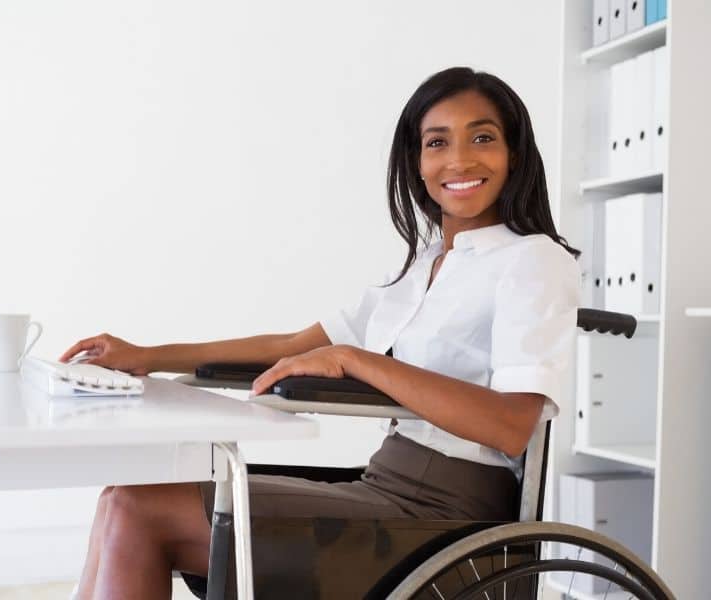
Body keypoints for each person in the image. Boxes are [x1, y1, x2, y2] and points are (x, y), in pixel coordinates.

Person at [60, 66, 581, 599]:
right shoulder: (423, 267)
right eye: (437, 142)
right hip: (385, 484)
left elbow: (513, 424)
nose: (460, 159)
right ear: (416, 161)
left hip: (451, 517)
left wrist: (358, 360)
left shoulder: (533, 260)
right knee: (119, 498)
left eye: (482, 138)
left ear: (514, 154)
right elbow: (290, 347)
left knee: (137, 511)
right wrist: (150, 355)